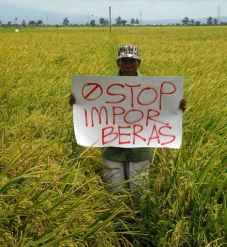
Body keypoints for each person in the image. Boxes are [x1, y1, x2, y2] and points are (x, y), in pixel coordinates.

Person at [69, 45, 186, 210]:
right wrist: (77, 102)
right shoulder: (104, 87)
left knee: (139, 195)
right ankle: (119, 228)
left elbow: (165, 109)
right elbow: (90, 107)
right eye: (124, 61)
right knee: (115, 196)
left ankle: (138, 227)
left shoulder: (154, 87)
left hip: (139, 150)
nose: (128, 65)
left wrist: (177, 105)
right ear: (118, 63)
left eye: (132, 61)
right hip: (112, 150)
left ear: (139, 63)